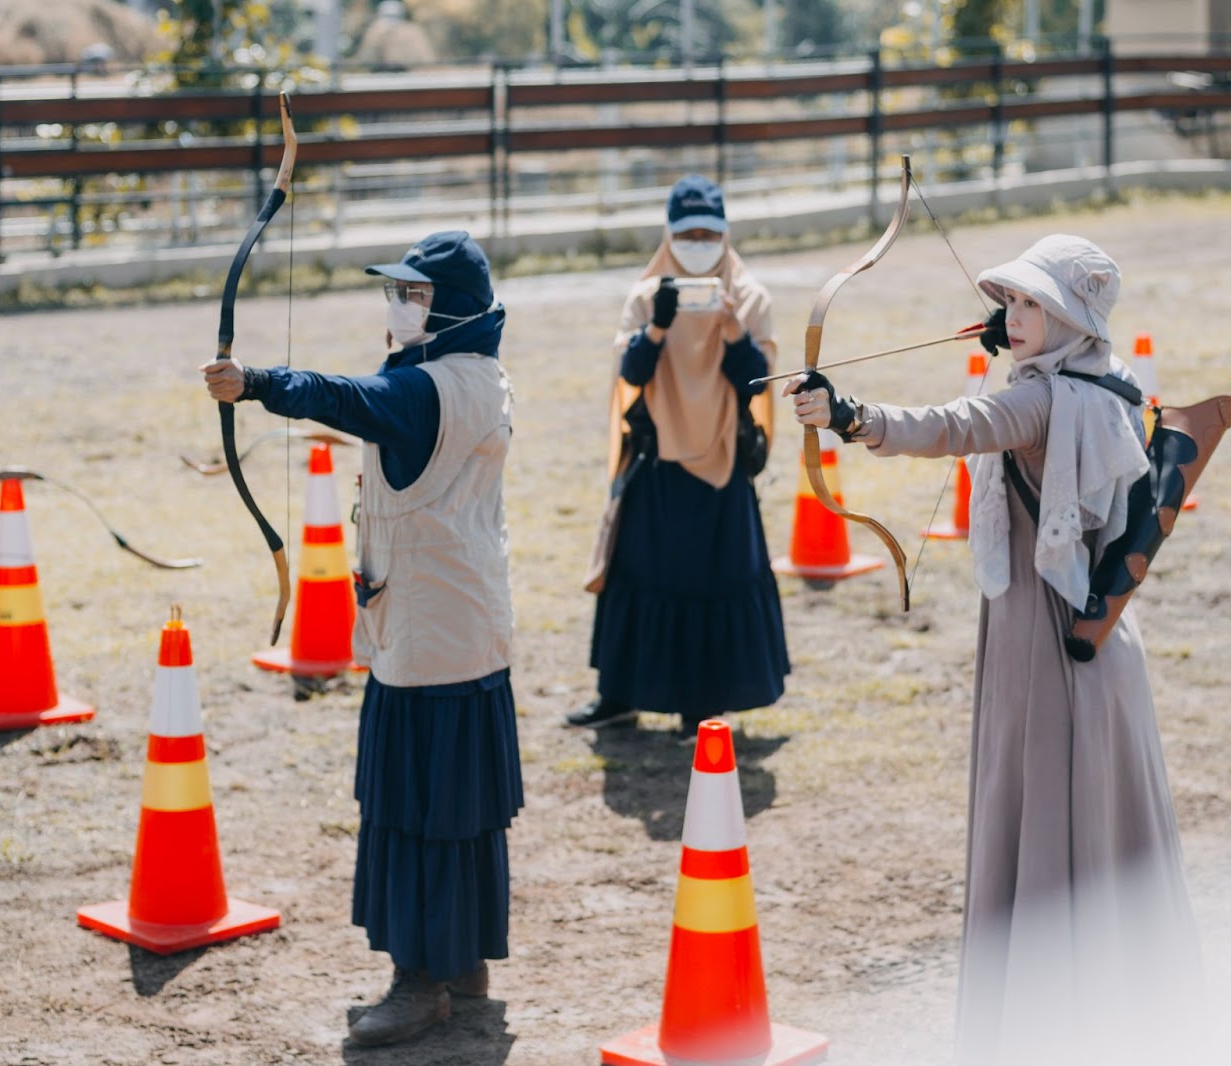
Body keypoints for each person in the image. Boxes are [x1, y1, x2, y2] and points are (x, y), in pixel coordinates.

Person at [786, 235, 1200, 1064]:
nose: (1012, 318)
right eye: (1008, 303)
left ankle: (1047, 1020)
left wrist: (851, 416)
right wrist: (1023, 347)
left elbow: (957, 426)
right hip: (1103, 640)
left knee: (1045, 804)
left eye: (1031, 305)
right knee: (1095, 818)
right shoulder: (1108, 382)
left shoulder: (1042, 404)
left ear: (1070, 317)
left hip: (1046, 641)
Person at [201, 231, 522, 1048]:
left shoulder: (431, 390)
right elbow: (371, 401)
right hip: (451, 627)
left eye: (412, 295)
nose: (398, 304)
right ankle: (461, 963)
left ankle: (421, 984)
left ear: (444, 308)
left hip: (431, 637)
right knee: (454, 809)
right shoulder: (464, 374)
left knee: (421, 809)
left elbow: (344, 398)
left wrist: (259, 382)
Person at [566, 174, 791, 741]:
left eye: (707, 232)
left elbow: (757, 385)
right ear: (668, 236)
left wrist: (735, 331)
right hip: (657, 459)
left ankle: (702, 705)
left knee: (713, 582)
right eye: (686, 232)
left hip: (721, 463)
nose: (697, 242)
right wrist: (658, 328)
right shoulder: (645, 298)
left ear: (725, 234)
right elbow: (631, 376)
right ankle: (617, 695)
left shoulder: (750, 296)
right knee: (636, 578)